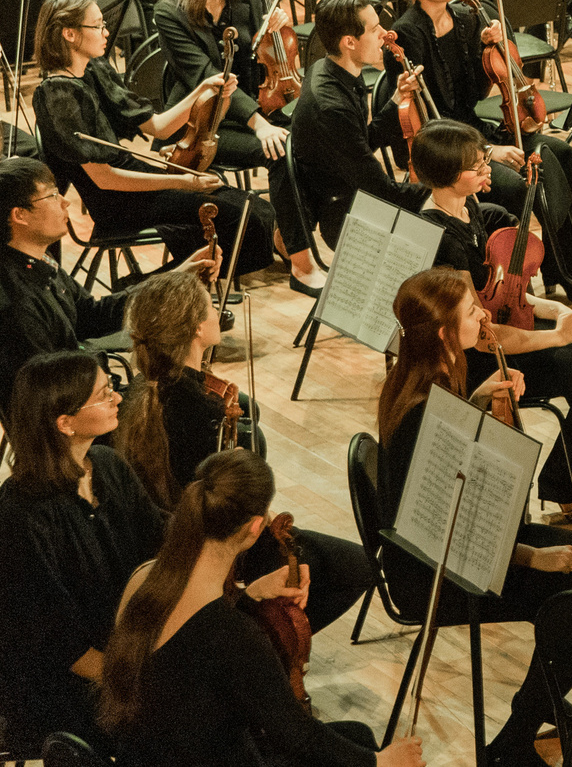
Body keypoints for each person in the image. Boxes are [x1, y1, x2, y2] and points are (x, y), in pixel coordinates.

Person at [375, 268, 572, 767]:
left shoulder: (420, 384)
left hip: (460, 545)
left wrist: (478, 403)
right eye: (472, 311)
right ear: (442, 333)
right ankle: (516, 740)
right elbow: (446, 532)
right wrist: (533, 558)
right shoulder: (426, 413)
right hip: (436, 573)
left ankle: (543, 696)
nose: (484, 315)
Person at [98, 448, 417, 767]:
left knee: (356, 734)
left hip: (146, 754)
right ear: (254, 527)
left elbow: (194, 648)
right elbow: (296, 734)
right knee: (361, 744)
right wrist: (382, 762)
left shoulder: (144, 576)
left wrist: (252, 595)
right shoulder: (236, 637)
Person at [409, 120, 572, 517]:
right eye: (476, 167)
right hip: (488, 357)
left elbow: (503, 292)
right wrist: (559, 336)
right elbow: (481, 332)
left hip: (513, 326)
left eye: (483, 161)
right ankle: (569, 485)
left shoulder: (468, 207)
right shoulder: (440, 239)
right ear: (446, 176)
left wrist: (554, 310)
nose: (486, 171)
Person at [113, 271, 377, 635]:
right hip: (219, 544)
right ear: (195, 330)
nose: (217, 310)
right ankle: (265, 641)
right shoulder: (202, 413)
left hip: (176, 534)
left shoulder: (140, 392)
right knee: (356, 565)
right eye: (210, 306)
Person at [0, 351, 167, 750]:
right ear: (65, 423)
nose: (118, 398)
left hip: (113, 645)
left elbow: (161, 539)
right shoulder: (23, 513)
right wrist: (149, 680)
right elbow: (58, 645)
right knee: (185, 713)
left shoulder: (106, 464)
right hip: (54, 684)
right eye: (105, 394)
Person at [33, 0, 268, 278]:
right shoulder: (58, 96)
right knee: (241, 219)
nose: (106, 32)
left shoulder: (93, 70)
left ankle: (184, 286)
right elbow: (105, 179)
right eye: (97, 25)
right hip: (116, 201)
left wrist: (203, 90)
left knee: (250, 208)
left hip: (134, 180)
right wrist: (183, 183)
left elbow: (158, 126)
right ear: (69, 34)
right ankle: (152, 287)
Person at [387, 0, 572, 289]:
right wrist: (489, 152)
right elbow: (432, 120)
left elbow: (476, 94)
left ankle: (566, 262)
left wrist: (491, 50)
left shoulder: (465, 17)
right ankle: (531, 277)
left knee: (562, 153)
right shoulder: (407, 34)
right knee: (523, 186)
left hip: (475, 128)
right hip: (446, 146)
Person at [154, 0, 318, 287]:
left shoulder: (248, 0)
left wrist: (276, 30)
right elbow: (208, 76)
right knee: (281, 149)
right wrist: (259, 124)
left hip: (243, 110)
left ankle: (287, 232)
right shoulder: (169, 12)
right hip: (200, 125)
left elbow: (254, 66)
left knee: (311, 140)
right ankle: (300, 261)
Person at [0, 157, 215, 413]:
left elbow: (90, 316)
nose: (65, 201)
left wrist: (175, 278)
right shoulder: (14, 303)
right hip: (75, 417)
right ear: (20, 215)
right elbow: (51, 392)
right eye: (51, 196)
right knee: (206, 408)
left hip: (87, 395)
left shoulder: (31, 259)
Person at [289, 0, 425, 245]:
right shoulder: (332, 109)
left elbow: (362, 142)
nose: (385, 35)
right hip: (348, 214)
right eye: (375, 30)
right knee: (450, 229)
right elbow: (380, 189)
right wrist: (443, 187)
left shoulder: (332, 67)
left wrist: (397, 98)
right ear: (349, 42)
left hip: (358, 191)